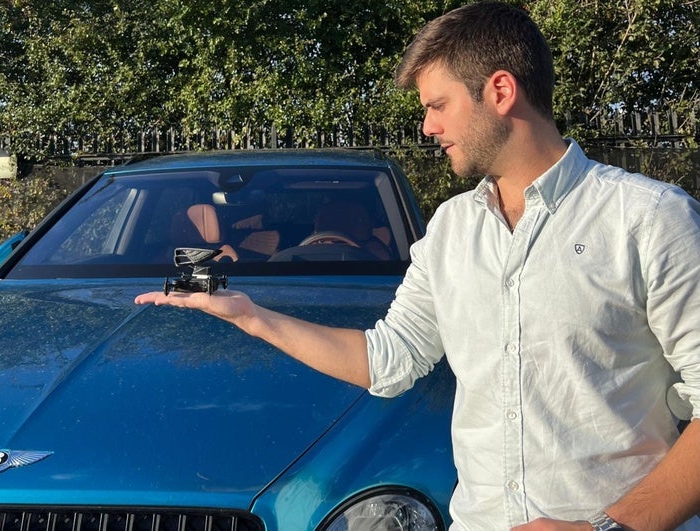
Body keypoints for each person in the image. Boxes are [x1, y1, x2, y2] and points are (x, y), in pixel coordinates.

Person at [136, 1, 700, 529]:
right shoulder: (452, 229)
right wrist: (250, 316)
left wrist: (607, 526)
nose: (427, 128)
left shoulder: (649, 220)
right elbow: (389, 359)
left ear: (500, 90)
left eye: (437, 105)